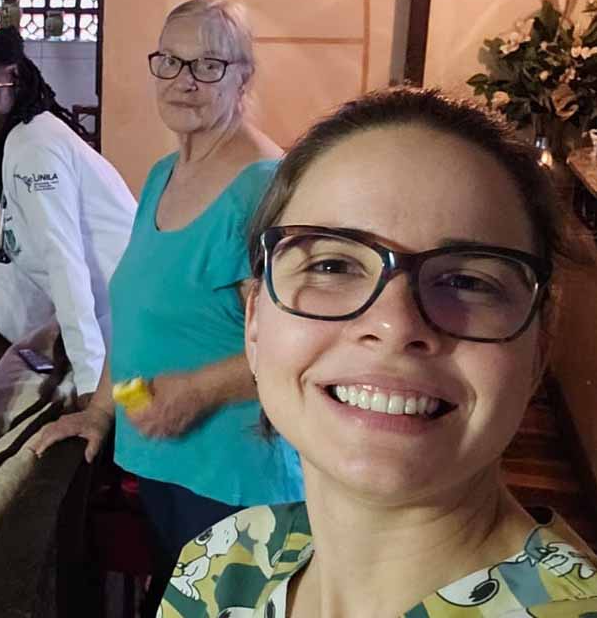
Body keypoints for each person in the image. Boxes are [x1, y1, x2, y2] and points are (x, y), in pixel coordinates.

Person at [162, 87, 597, 616]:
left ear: (539, 348)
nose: (395, 325)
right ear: (255, 324)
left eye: (466, 280)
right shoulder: (217, 566)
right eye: (333, 266)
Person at [29, 0, 303, 617]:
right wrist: (100, 412)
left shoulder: (264, 185)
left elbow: (296, 344)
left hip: (235, 479)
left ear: (242, 76)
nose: (184, 80)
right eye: (171, 61)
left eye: (208, 65)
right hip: (160, 464)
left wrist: (198, 392)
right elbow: (136, 313)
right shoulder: (162, 173)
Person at [0, 26, 136, 399]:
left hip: (124, 326)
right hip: (109, 319)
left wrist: (89, 378)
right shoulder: (25, 137)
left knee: (129, 415)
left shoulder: (34, 149)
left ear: (14, 80)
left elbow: (64, 261)